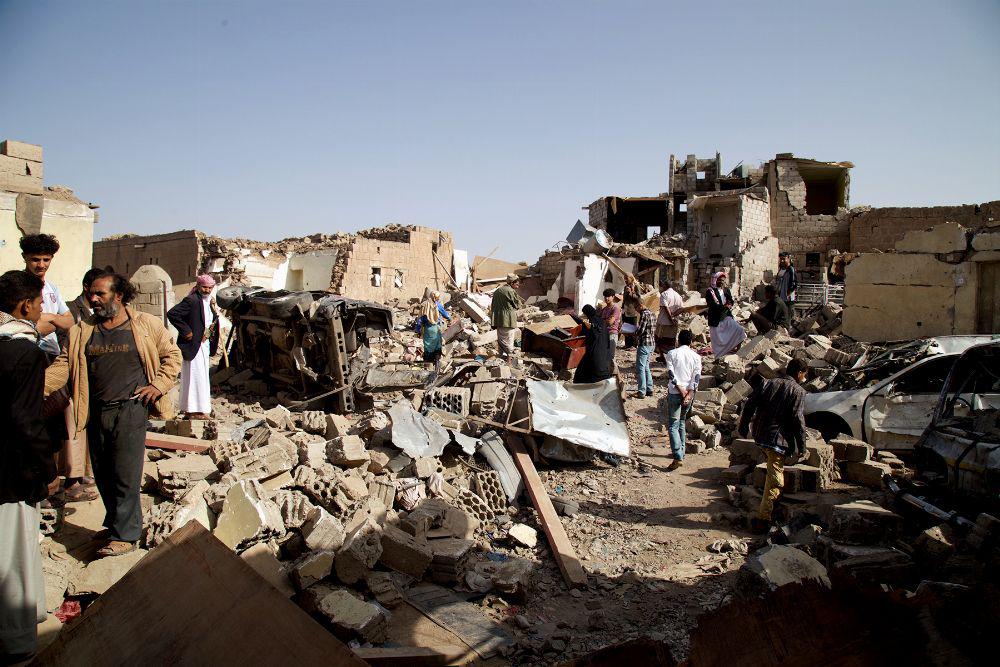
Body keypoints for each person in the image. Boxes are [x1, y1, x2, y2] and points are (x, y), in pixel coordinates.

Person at [45, 274, 181, 557]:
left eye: (100, 294)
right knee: (103, 473)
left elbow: (172, 356)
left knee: (125, 474)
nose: (93, 300)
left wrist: (158, 385)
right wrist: (30, 387)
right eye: (91, 294)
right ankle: (115, 524)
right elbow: (63, 365)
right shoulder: (83, 331)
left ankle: (126, 535)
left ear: (118, 295)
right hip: (95, 409)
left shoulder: (145, 325)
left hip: (130, 408)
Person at [0, 270, 59, 661]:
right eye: (39, 305)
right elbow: (25, 421)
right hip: (13, 472)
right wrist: (47, 468)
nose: (42, 311)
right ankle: (18, 646)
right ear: (25, 306)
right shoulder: (25, 353)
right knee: (14, 559)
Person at [738, 357, 809, 531]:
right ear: (799, 373)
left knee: (772, 471)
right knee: (775, 481)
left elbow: (749, 405)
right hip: (776, 440)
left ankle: (765, 506)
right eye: (804, 375)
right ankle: (763, 518)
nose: (804, 378)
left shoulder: (768, 383)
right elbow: (798, 420)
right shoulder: (798, 391)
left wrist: (743, 427)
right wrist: (802, 447)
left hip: (760, 434)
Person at [61, 269, 108, 503]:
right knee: (73, 429)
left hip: (93, 380)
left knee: (88, 428)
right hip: (74, 378)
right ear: (87, 287)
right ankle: (71, 481)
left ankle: (83, 474)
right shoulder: (71, 309)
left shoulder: (100, 312)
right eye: (96, 291)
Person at [167, 275, 220, 419]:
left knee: (201, 377)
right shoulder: (192, 300)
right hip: (193, 346)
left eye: (210, 288)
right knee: (193, 377)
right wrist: (187, 332)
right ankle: (191, 410)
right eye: (204, 287)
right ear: (197, 286)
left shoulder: (209, 301)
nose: (207, 290)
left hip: (203, 345)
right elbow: (172, 314)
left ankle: (199, 410)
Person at [20, 234, 74, 360]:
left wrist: (50, 317)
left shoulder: (52, 288)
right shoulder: (17, 286)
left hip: (52, 352)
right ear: (24, 257)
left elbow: (70, 321)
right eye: (35, 259)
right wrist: (56, 322)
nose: (41, 265)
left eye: (46, 260)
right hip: (27, 351)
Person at [665, 330, 701, 471]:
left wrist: (681, 391)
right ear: (691, 342)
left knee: (673, 425)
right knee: (681, 421)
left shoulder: (672, 354)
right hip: (689, 395)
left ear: (678, 340)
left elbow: (671, 375)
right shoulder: (696, 357)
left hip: (675, 393)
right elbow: (696, 378)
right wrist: (689, 394)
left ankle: (677, 456)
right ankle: (682, 450)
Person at [705, 271, 746, 357]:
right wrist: (723, 307)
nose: (722, 282)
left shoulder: (726, 290)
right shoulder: (710, 291)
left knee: (739, 330)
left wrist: (729, 305)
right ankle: (718, 357)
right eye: (720, 280)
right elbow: (712, 305)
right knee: (718, 341)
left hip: (726, 316)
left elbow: (730, 300)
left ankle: (737, 351)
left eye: (723, 280)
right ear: (715, 280)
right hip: (715, 318)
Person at [573, 304, 614, 384]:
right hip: (604, 352)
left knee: (585, 372)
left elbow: (590, 331)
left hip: (594, 352)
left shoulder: (593, 322)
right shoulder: (602, 321)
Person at [414, 290, 450, 371]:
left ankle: (426, 369)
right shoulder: (438, 305)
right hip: (436, 329)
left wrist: (418, 330)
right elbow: (446, 315)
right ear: (437, 297)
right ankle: (436, 369)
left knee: (427, 348)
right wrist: (448, 318)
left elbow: (419, 320)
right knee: (437, 347)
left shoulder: (424, 305)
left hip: (427, 330)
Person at [490, 274, 523, 359]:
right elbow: (517, 305)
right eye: (516, 284)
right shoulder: (510, 291)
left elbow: (493, 306)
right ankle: (509, 360)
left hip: (498, 319)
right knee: (509, 340)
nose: (518, 285)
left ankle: (501, 359)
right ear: (512, 283)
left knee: (501, 340)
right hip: (508, 319)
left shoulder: (498, 290)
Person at [632, 297, 655, 398]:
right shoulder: (652, 313)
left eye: (636, 307)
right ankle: (649, 389)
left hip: (644, 343)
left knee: (640, 368)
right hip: (651, 343)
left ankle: (641, 391)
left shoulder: (644, 314)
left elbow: (640, 331)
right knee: (646, 367)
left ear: (640, 305)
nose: (636, 310)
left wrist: (632, 333)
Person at [655, 281, 684, 363]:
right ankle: (670, 358)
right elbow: (682, 308)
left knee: (660, 340)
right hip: (675, 321)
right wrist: (674, 315)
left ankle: (663, 357)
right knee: (671, 341)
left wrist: (670, 318)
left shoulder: (664, 294)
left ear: (664, 285)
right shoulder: (678, 295)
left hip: (664, 321)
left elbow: (665, 307)